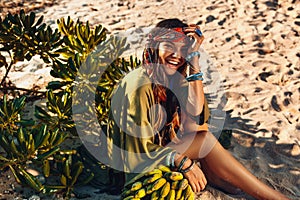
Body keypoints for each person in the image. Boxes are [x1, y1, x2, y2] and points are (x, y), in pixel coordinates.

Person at [103, 18, 289, 199]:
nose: (177, 55)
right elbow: (135, 150)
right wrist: (181, 161)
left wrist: (194, 58)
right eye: (168, 46)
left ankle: (214, 175)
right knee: (204, 140)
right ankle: (275, 198)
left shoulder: (174, 77)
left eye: (182, 49)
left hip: (158, 151)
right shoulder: (138, 85)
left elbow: (197, 113)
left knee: (197, 127)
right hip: (134, 162)